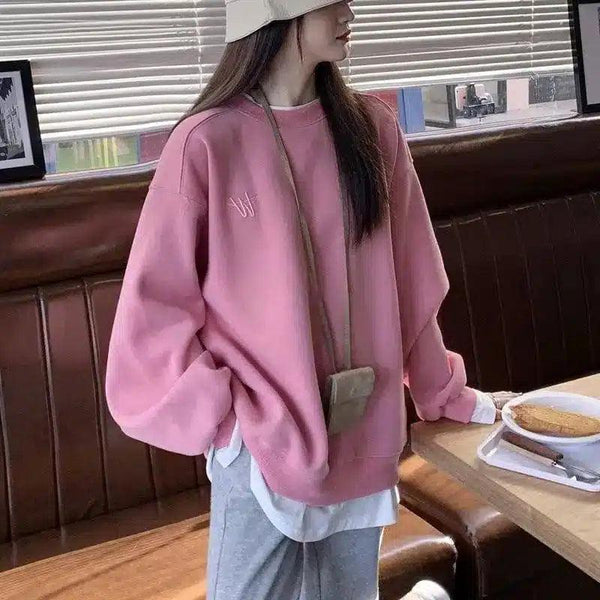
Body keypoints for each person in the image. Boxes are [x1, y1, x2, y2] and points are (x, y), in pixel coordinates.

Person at [104, 1, 521, 598]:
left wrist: (444, 393)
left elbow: (411, 284)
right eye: (331, 0)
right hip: (259, 448)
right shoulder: (206, 144)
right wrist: (230, 421)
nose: (350, 11)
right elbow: (153, 314)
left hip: (363, 437)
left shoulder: (373, 131)